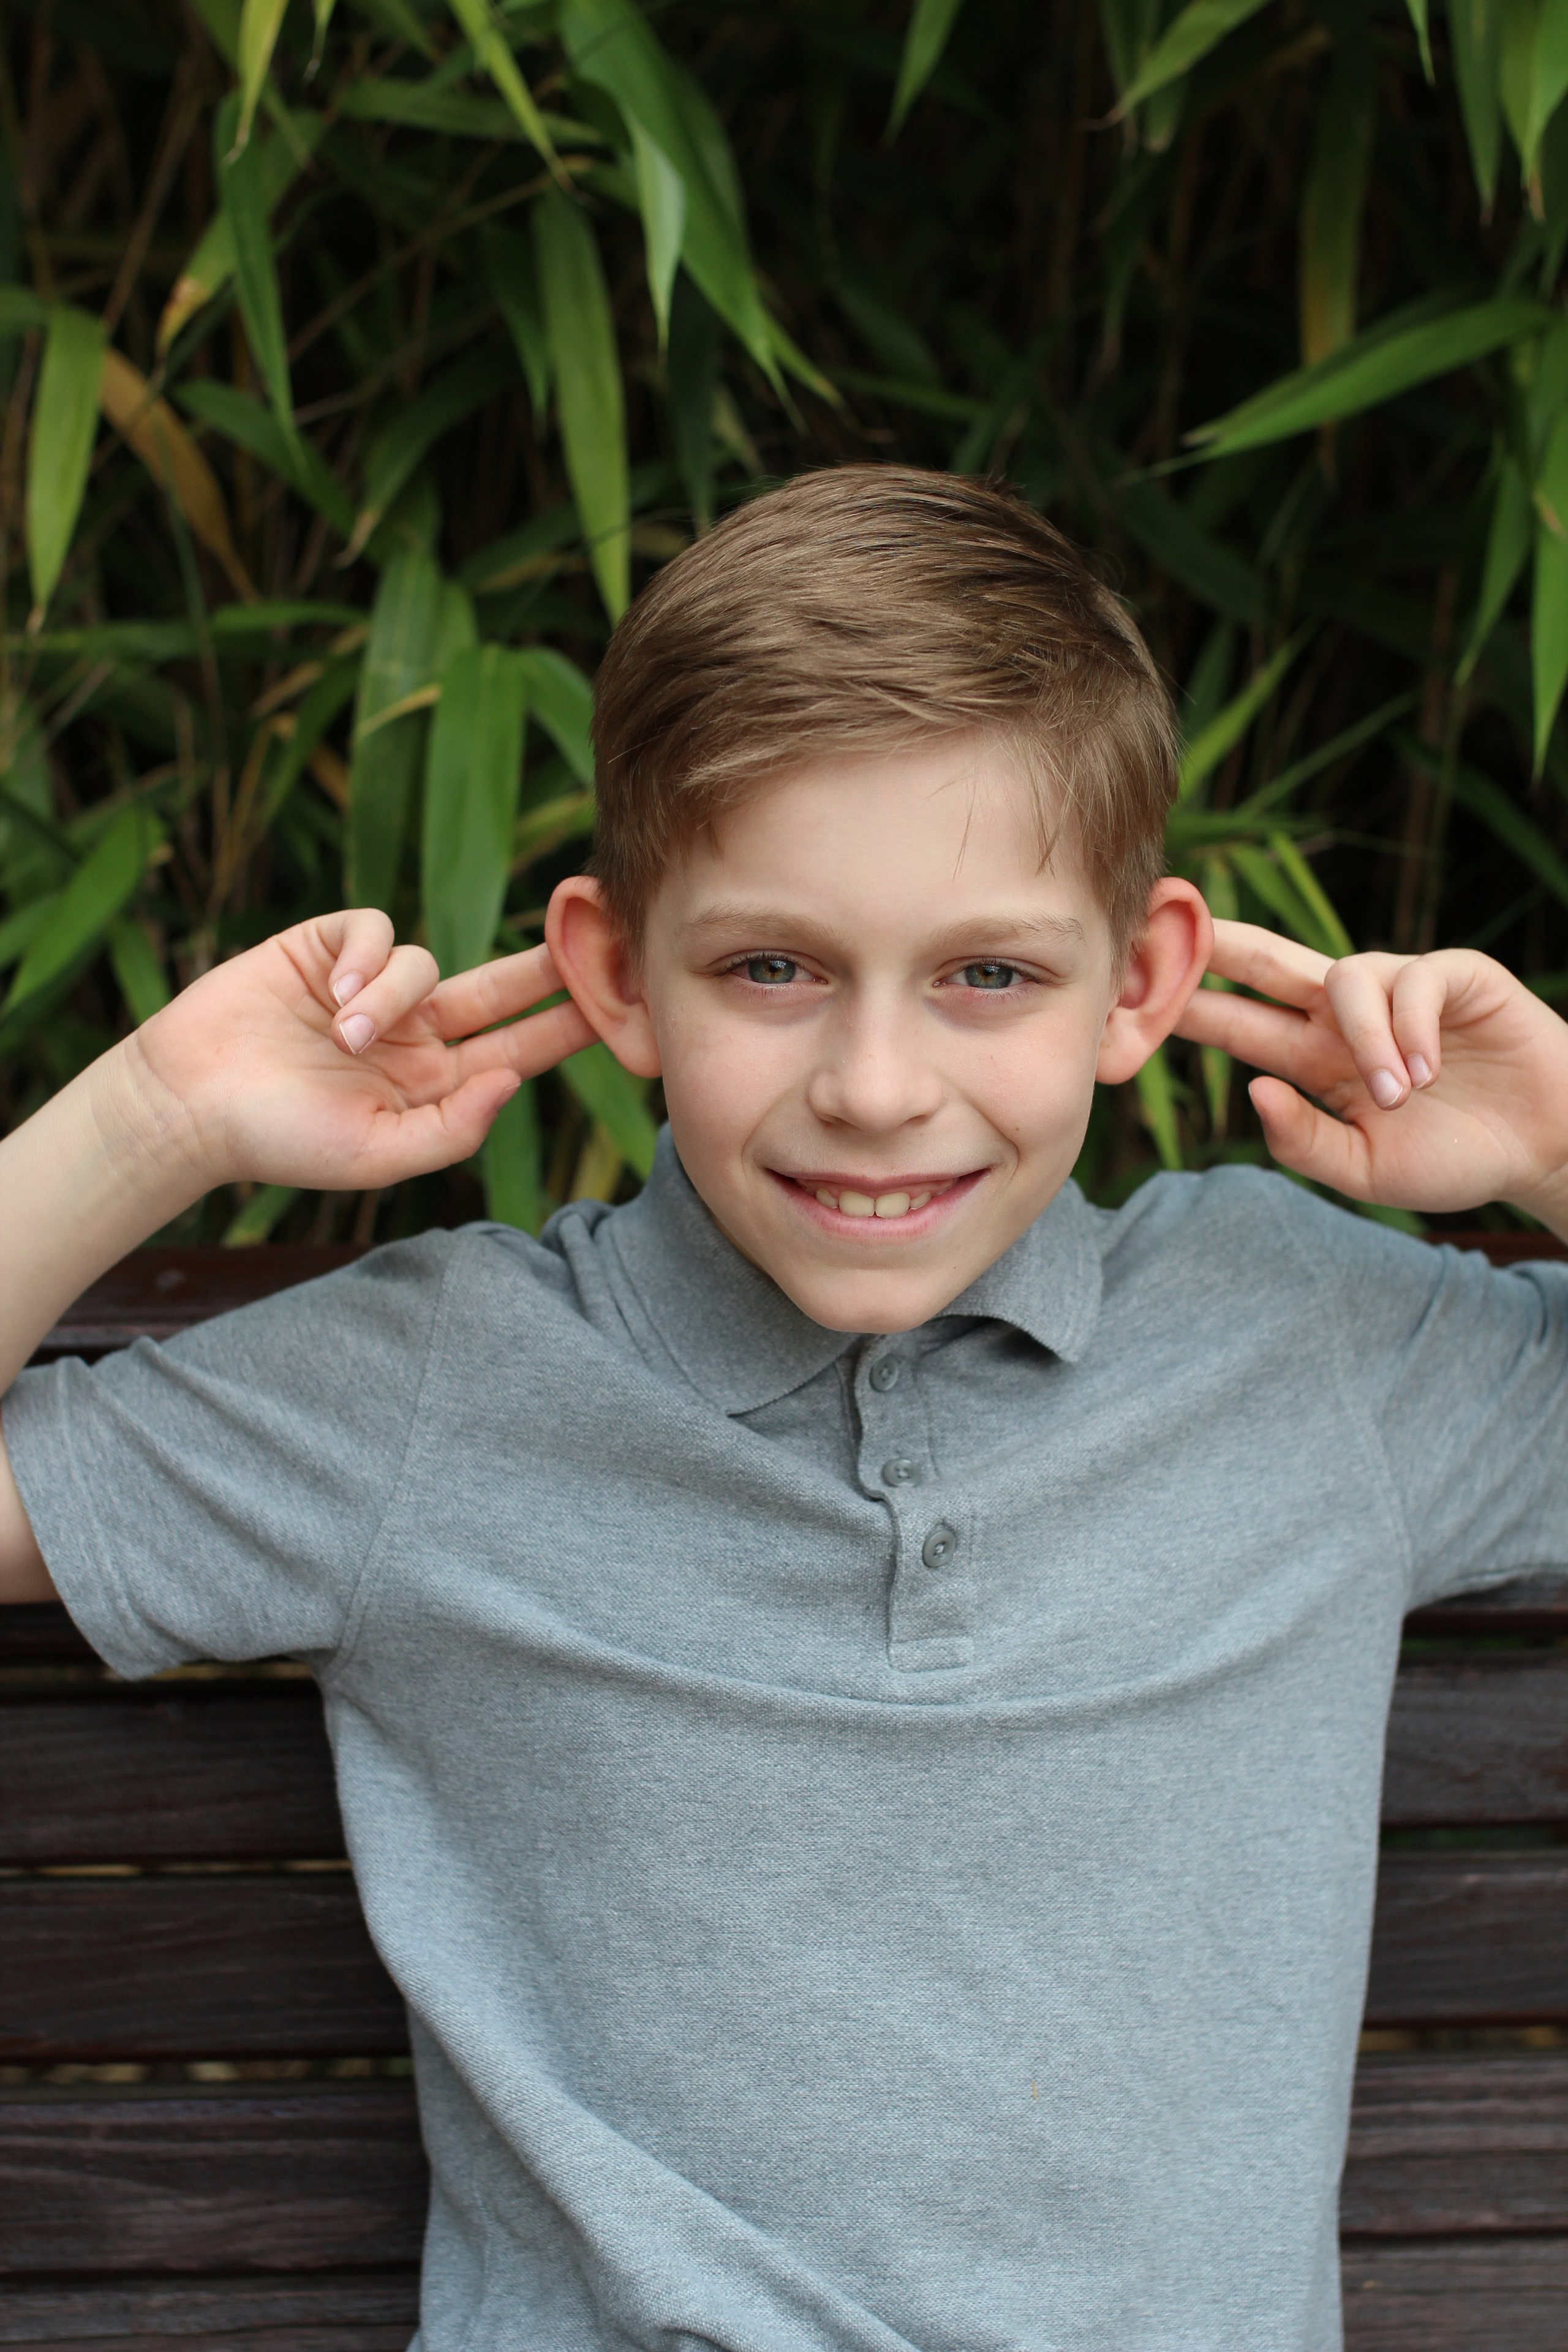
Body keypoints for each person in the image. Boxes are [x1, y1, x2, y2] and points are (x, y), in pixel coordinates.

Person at [2, 466, 1567, 2352]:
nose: (878, 1084)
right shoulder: (437, 1392)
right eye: (773, 969)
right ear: (616, 974)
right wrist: (157, 1115)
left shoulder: (1304, 1348)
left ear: (1139, 981)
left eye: (989, 973)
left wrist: (1558, 1137)